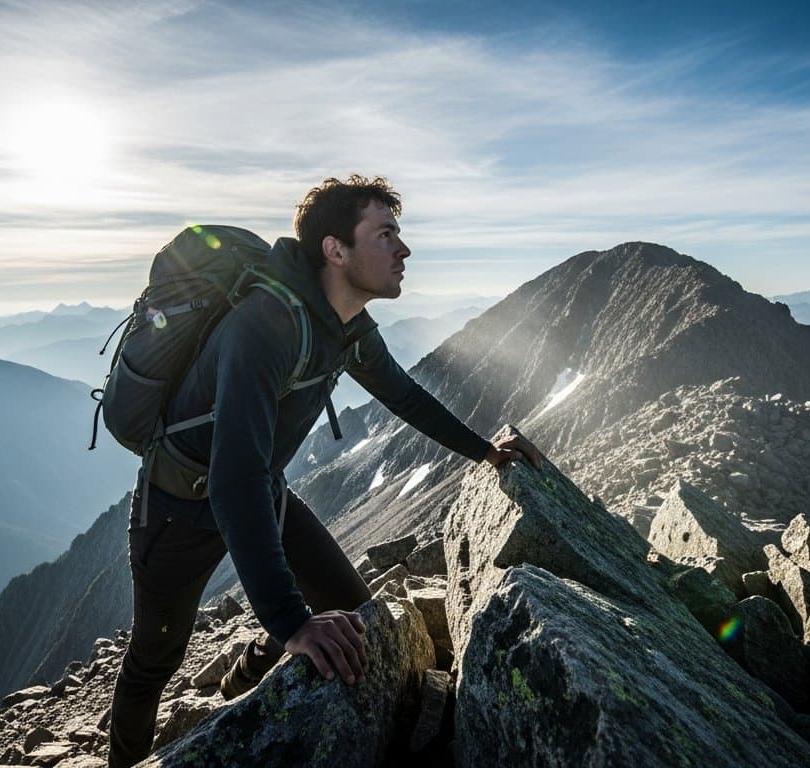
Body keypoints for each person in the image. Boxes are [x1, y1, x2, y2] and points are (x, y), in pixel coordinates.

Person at [107, 175, 542, 766]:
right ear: (335, 249)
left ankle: (246, 679)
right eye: (385, 234)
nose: (404, 250)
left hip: (261, 488)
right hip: (178, 507)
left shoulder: (346, 327)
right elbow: (233, 484)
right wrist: (291, 623)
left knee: (351, 609)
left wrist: (485, 452)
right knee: (152, 663)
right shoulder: (266, 325)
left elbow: (405, 396)